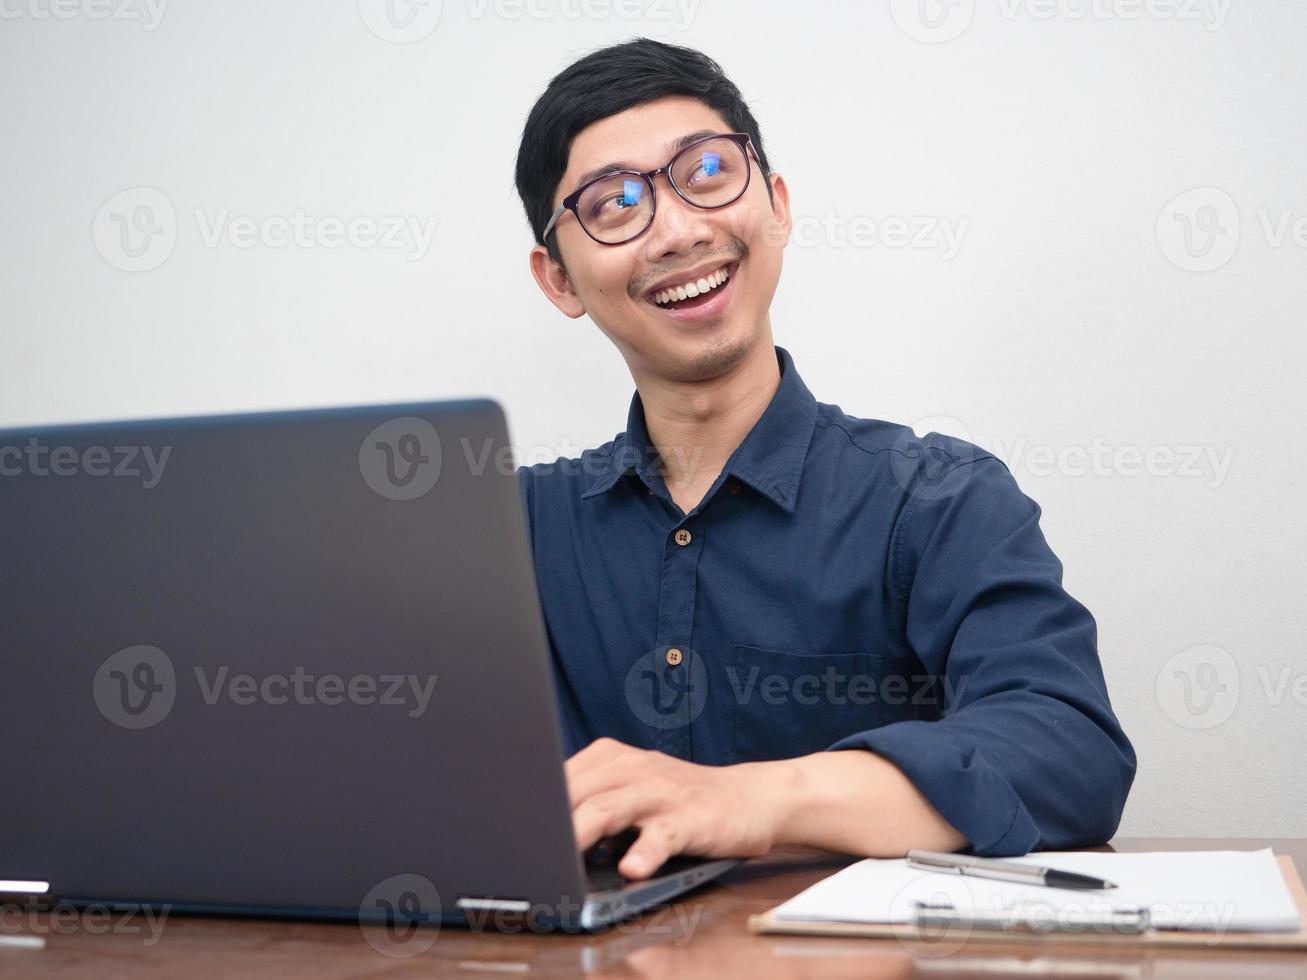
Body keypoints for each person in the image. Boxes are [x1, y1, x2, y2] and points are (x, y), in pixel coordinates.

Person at [513, 38, 1135, 882]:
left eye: (704, 174)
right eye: (615, 203)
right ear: (559, 281)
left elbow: (1068, 750)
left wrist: (753, 799)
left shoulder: (939, 498)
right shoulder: (504, 534)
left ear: (774, 204)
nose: (678, 230)